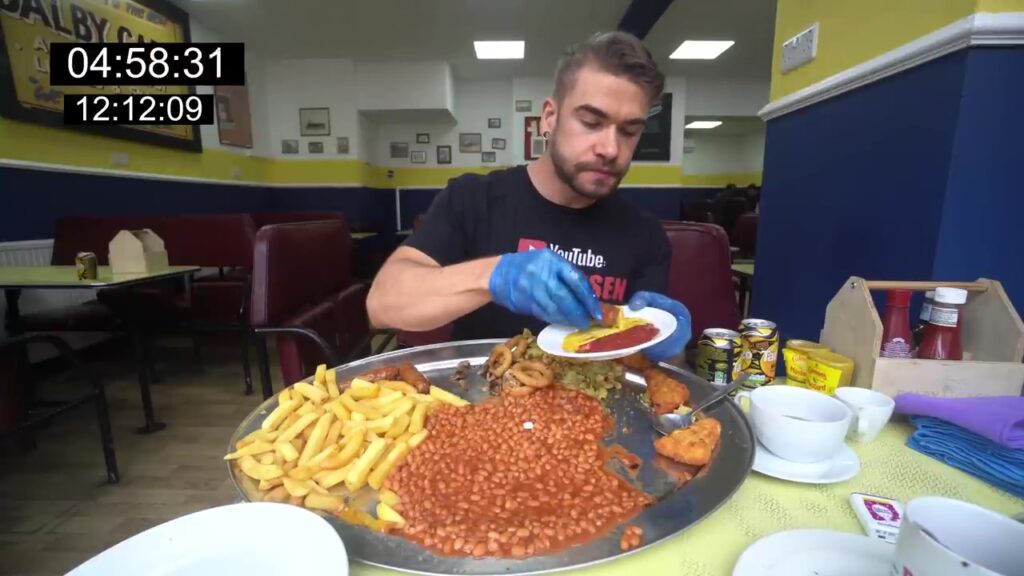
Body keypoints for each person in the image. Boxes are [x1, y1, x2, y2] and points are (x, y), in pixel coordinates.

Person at [367, 32, 691, 361]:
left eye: (629, 131)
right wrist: (494, 276)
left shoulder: (645, 234)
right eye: (591, 122)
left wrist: (666, 345)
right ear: (549, 118)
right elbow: (382, 304)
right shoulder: (473, 199)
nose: (610, 148)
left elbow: (653, 368)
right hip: (480, 400)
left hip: (597, 407)